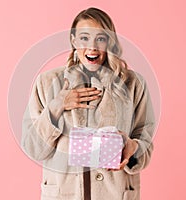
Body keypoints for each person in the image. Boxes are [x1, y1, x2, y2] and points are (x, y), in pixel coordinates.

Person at [21, 7, 155, 200]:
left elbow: (146, 143)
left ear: (110, 41)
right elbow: (33, 148)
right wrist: (57, 105)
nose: (92, 47)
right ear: (74, 41)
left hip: (116, 193)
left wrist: (132, 148)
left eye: (100, 38)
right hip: (63, 194)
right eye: (84, 38)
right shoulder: (47, 83)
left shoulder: (134, 84)